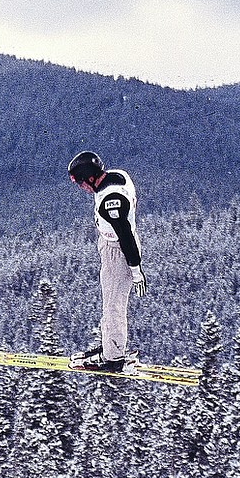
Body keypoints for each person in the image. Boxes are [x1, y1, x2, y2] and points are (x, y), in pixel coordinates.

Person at [67, 151, 148, 371]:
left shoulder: (111, 201)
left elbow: (125, 236)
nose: (81, 187)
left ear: (92, 177)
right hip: (111, 245)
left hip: (119, 252)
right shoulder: (117, 176)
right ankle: (110, 344)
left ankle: (113, 358)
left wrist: (135, 268)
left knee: (113, 304)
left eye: (81, 182)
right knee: (109, 301)